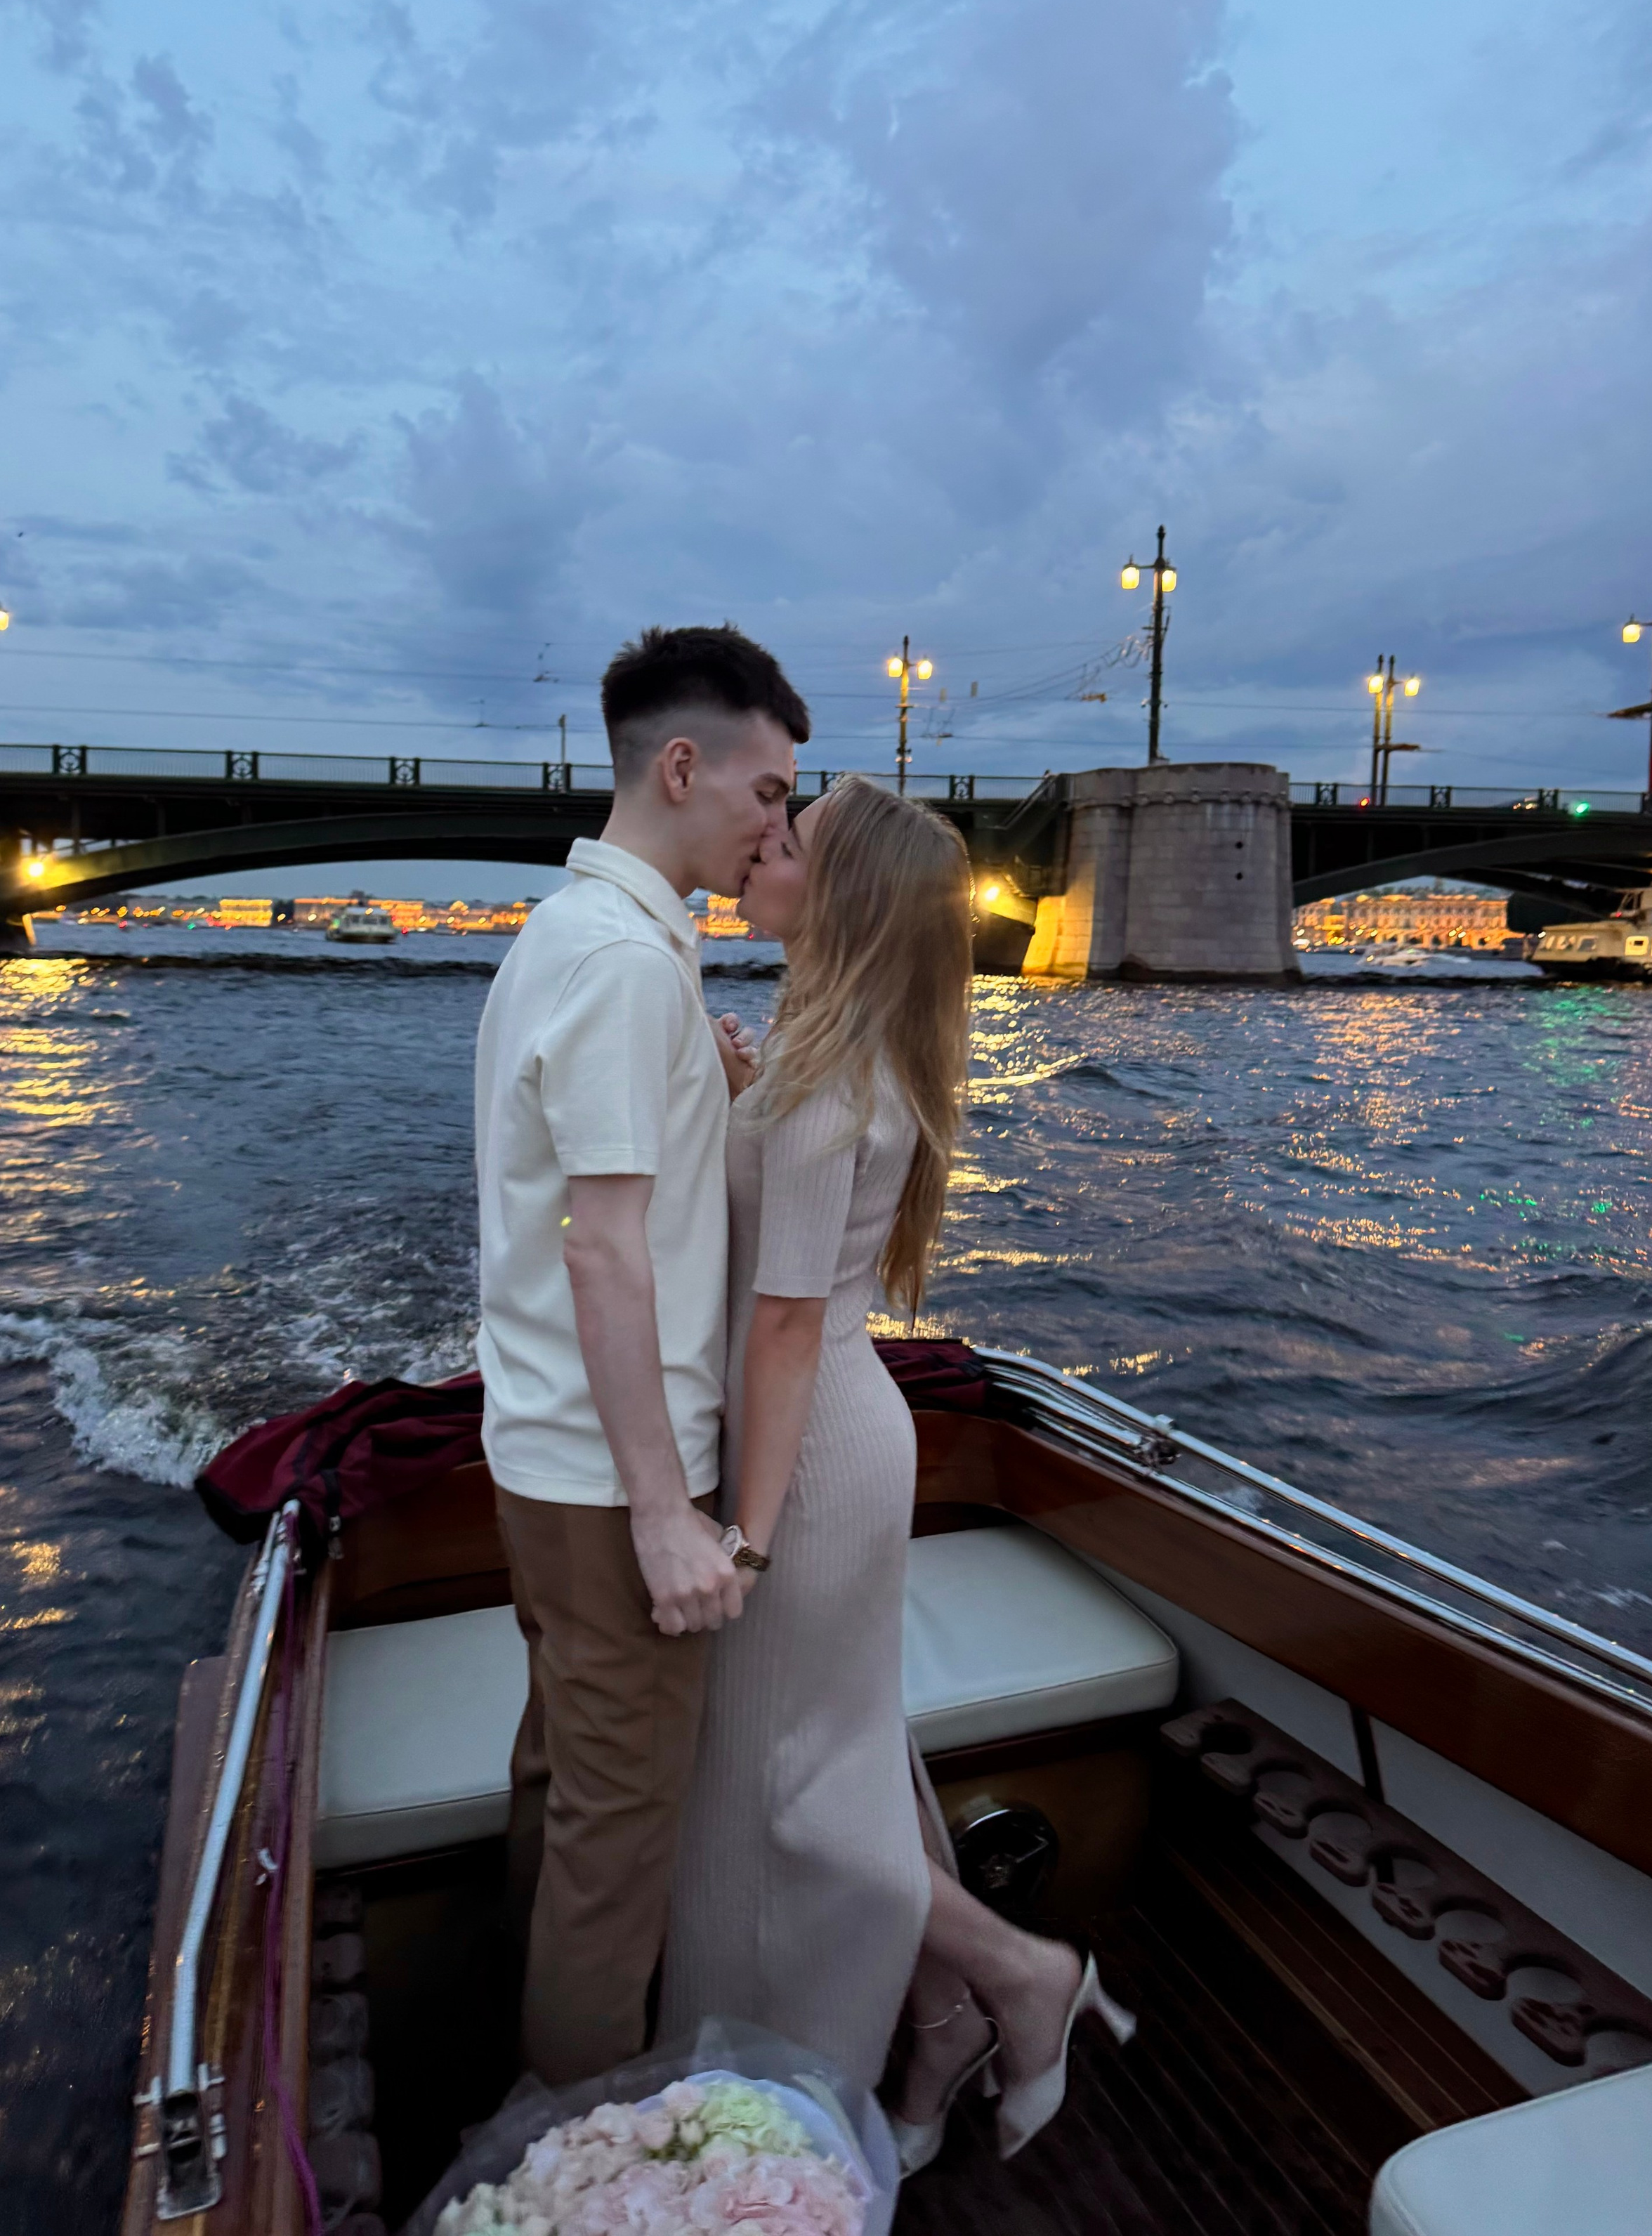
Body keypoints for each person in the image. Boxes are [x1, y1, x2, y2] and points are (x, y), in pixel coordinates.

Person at [660, 773, 1129, 2165]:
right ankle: (941, 2020)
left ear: (844, 893)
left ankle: (1018, 1977)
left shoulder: (827, 1092)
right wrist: (743, 1102)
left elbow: (783, 1323)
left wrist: (744, 1534)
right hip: (830, 1438)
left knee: (802, 1802)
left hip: (803, 1460)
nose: (763, 842)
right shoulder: (837, 1063)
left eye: (790, 837)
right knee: (844, 1767)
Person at [474, 622, 808, 2086]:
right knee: (617, 1853)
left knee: (560, 1788)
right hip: (615, 1485)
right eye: (766, 792)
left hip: (541, 1453)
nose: (773, 828)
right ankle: (575, 2151)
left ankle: (511, 2090)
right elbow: (602, 1249)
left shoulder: (571, 936)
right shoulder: (624, 964)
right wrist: (669, 1513)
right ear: (682, 767)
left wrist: (705, 1093)